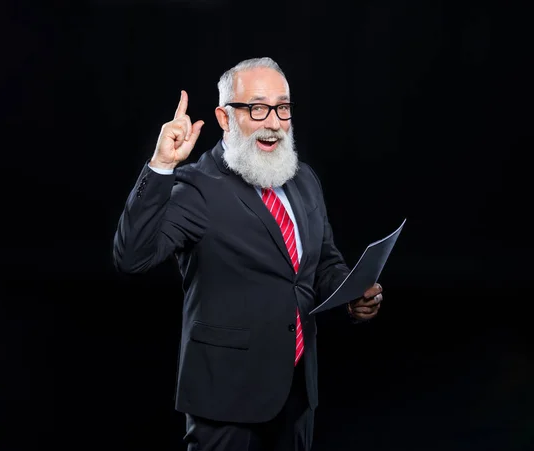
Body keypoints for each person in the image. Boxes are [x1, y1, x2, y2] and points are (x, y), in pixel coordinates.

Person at [113, 57, 383, 451]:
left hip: (296, 392)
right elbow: (131, 257)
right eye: (257, 108)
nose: (273, 121)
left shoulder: (303, 179)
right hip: (226, 398)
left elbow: (323, 263)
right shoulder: (197, 187)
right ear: (225, 118)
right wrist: (162, 165)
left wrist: (352, 293)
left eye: (283, 107)